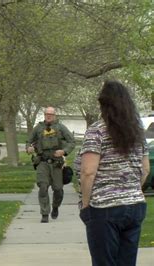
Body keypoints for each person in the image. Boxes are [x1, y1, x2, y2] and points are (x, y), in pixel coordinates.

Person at [78, 80, 149, 266]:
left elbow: (87, 172)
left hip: (104, 208)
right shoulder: (137, 132)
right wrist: (131, 189)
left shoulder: (97, 131)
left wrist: (85, 205)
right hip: (135, 205)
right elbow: (145, 170)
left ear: (103, 104)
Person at [26, 106, 75, 223]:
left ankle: (55, 206)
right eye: (47, 114)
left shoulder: (61, 127)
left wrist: (64, 151)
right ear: (44, 115)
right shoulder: (38, 128)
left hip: (56, 163)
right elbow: (29, 141)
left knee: (58, 189)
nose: (49, 116)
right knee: (42, 187)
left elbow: (72, 142)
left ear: (55, 115)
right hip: (42, 162)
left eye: (51, 114)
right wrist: (29, 148)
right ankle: (44, 213)